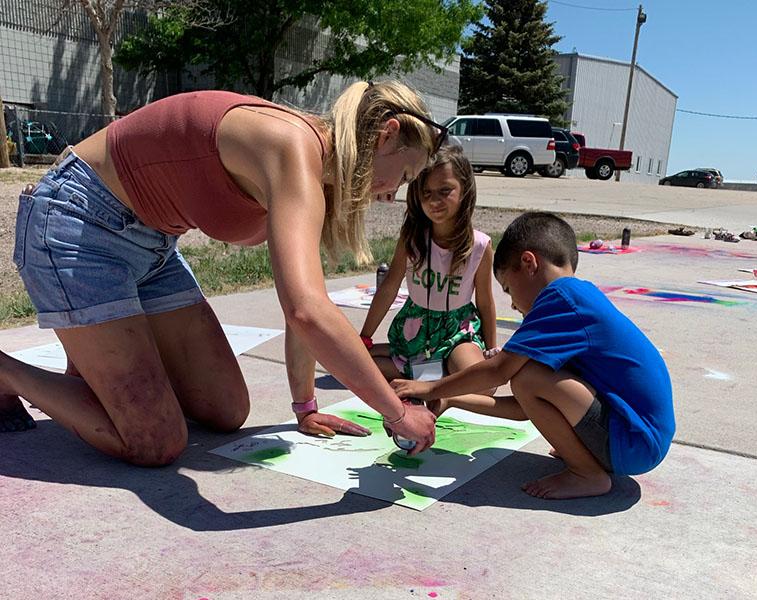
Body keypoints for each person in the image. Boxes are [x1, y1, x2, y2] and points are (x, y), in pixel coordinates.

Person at [0, 80, 444, 462]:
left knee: (226, 409)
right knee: (155, 441)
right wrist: (398, 412)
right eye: (403, 176)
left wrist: (305, 406)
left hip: (152, 247)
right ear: (387, 135)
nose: (392, 195)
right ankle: (7, 372)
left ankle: (95, 368)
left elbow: (308, 304)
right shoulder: (291, 145)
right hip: (78, 226)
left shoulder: (316, 174)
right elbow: (307, 311)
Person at [391, 212, 675, 499]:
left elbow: (498, 372)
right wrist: (450, 399)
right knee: (529, 379)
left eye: (508, 289)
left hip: (634, 440)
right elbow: (523, 408)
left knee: (526, 377)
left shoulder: (561, 299)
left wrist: (429, 386)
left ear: (528, 263)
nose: (513, 305)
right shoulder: (577, 298)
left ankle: (587, 473)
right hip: (636, 439)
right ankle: (585, 457)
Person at [358, 144, 497, 392]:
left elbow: (485, 301)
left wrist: (491, 351)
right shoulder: (411, 238)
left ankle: (429, 371)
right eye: (426, 192)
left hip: (458, 330)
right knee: (355, 363)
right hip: (417, 327)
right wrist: (365, 337)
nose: (435, 201)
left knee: (485, 387)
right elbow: (389, 286)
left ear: (465, 190)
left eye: (445, 191)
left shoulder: (480, 245)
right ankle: (431, 370)